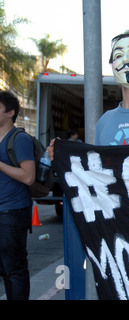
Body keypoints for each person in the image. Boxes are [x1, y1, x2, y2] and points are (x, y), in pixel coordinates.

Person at [0, 91, 35, 300]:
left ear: (10, 112)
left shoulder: (19, 139)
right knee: (4, 269)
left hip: (12, 212)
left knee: (15, 270)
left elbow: (28, 177)